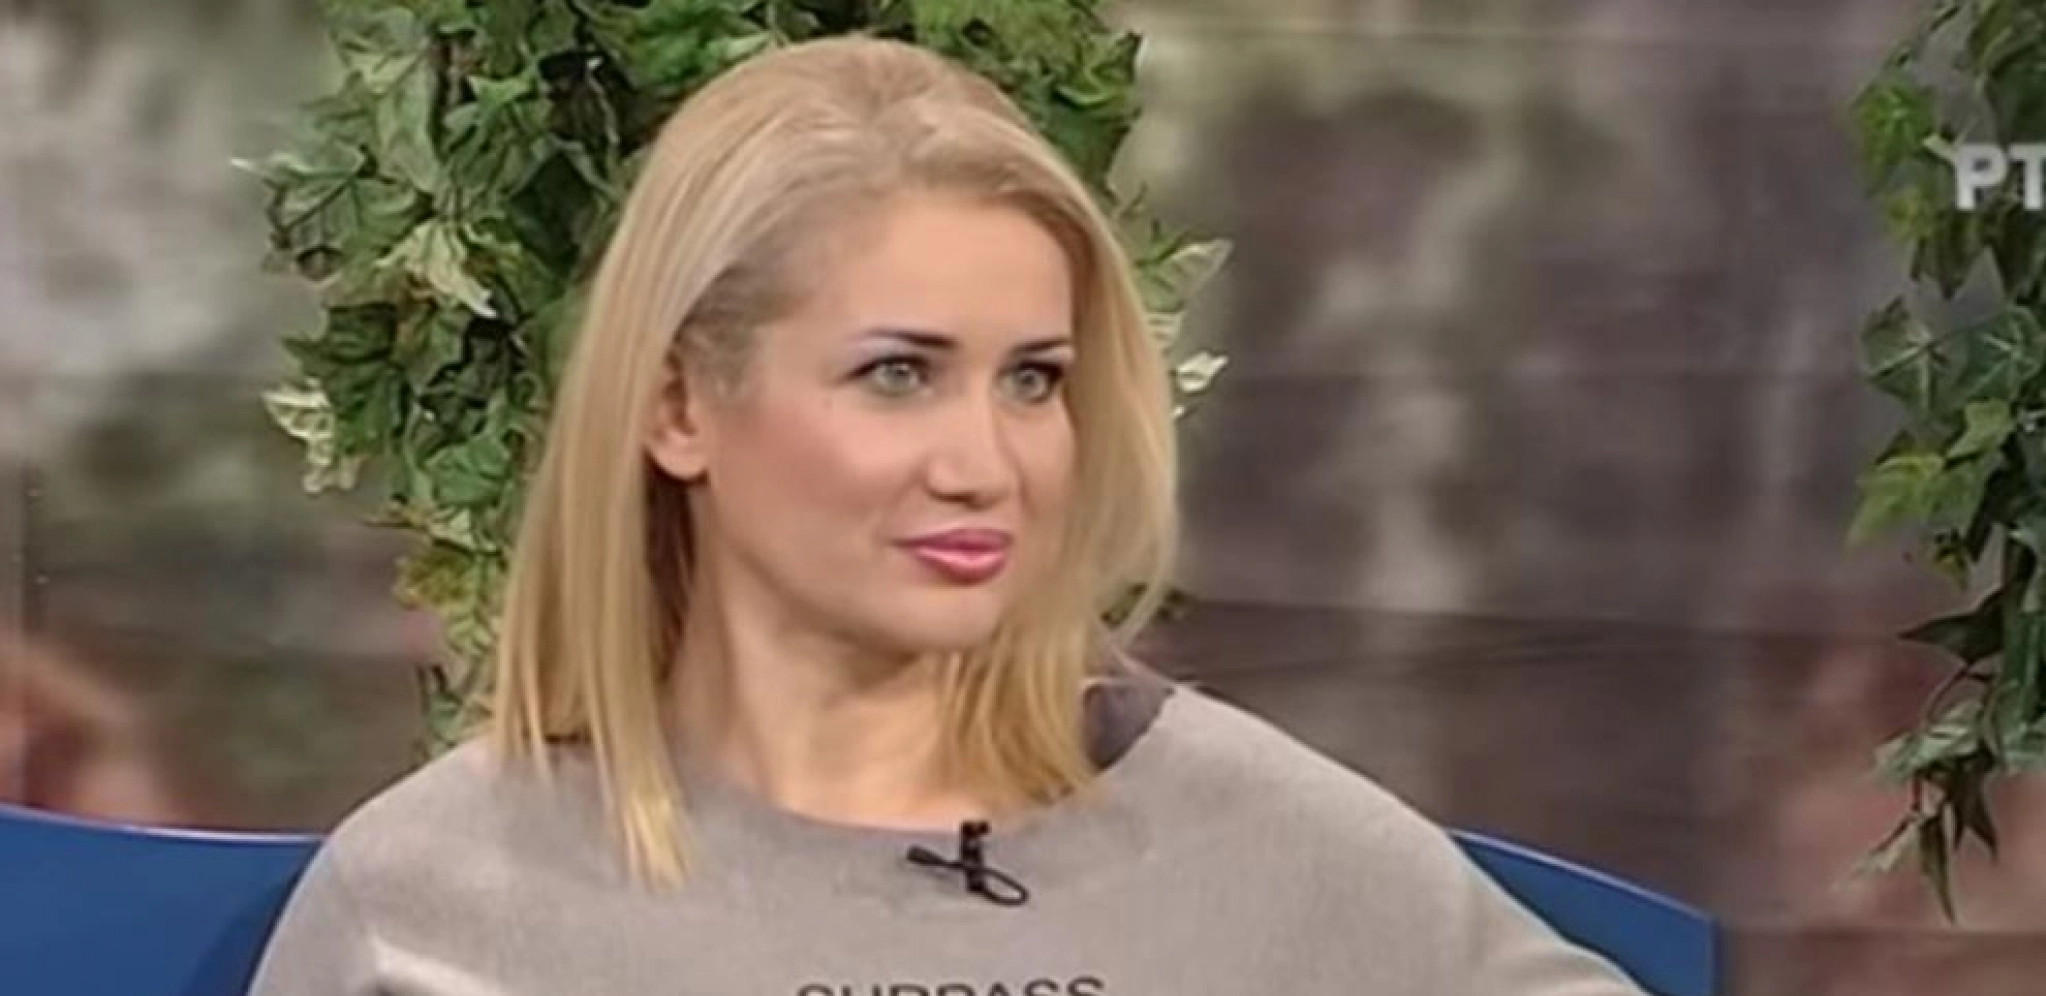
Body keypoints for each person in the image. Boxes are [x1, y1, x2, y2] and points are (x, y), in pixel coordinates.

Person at [250, 36, 1648, 995]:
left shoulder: (1271, 848)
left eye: (1032, 380)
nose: (985, 465)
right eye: (897, 374)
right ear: (677, 407)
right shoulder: (426, 902)